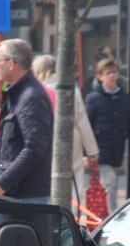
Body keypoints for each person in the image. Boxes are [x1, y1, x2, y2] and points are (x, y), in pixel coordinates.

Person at [0, 39, 52, 201]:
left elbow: (35, 148)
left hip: (25, 197)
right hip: (16, 194)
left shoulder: (31, 96)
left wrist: (4, 182)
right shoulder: (18, 93)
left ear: (11, 64)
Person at [32, 54, 99, 206]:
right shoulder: (71, 90)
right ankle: (75, 217)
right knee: (76, 179)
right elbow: (82, 120)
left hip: (48, 137)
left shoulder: (39, 91)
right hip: (72, 136)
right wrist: (92, 150)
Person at [86, 59, 130, 211]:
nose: (112, 76)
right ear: (100, 76)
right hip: (100, 149)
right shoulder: (93, 98)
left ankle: (105, 214)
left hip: (118, 148)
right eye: (108, 73)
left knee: (113, 183)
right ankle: (113, 216)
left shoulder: (123, 96)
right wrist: (86, 153)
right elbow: (87, 126)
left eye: (114, 72)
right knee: (110, 183)